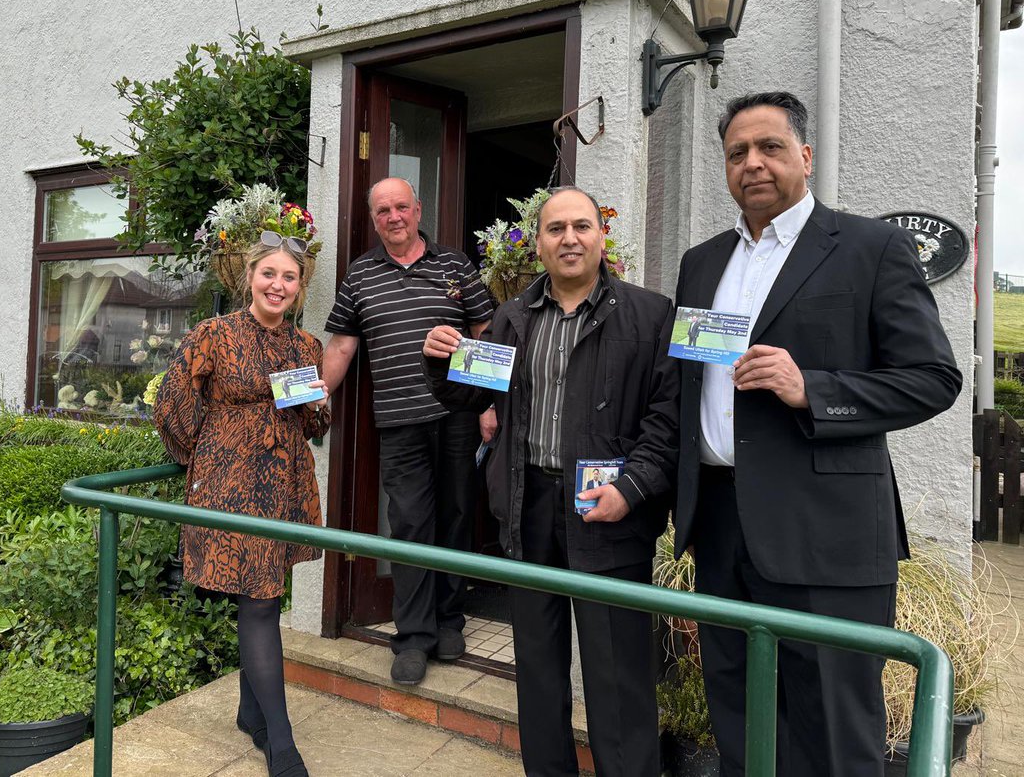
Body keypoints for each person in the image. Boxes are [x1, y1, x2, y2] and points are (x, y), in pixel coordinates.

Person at [672, 91, 962, 776]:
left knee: (833, 725)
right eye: (737, 152)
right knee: (740, 713)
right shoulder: (702, 262)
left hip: (826, 532)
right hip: (718, 524)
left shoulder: (871, 247)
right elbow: (686, 382)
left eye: (770, 147)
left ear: (804, 156)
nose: (754, 163)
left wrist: (814, 389)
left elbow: (932, 377)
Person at [423, 186, 679, 777]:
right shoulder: (512, 318)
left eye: (581, 226)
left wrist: (634, 488)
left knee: (617, 674)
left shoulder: (649, 313)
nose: (569, 238)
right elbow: (469, 394)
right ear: (536, 242)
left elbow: (669, 418)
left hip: (610, 508)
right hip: (528, 502)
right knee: (537, 669)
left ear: (600, 236)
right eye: (555, 228)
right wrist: (442, 358)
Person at [155, 235, 330, 777]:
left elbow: (316, 428)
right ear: (249, 277)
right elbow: (172, 399)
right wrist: (203, 457)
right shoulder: (215, 333)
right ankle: (280, 741)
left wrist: (320, 405)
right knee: (258, 603)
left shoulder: (307, 346)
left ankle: (250, 712)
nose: (278, 285)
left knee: (266, 593)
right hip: (233, 482)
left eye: (289, 278)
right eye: (269, 274)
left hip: (285, 481)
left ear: (300, 288)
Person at [322, 177, 493, 685]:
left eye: (401, 207)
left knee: (457, 517)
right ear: (374, 220)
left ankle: (449, 620)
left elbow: (486, 334)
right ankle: (413, 636)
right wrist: (316, 396)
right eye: (382, 211)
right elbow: (341, 348)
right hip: (399, 424)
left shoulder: (456, 265)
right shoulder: (359, 275)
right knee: (412, 525)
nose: (393, 217)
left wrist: (490, 405)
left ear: (418, 209)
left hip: (458, 417)